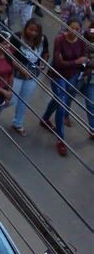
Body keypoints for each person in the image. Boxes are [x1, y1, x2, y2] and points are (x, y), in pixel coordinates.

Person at [41, 19, 87, 156]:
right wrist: (75, 62)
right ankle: (60, 139)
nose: (74, 31)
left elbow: (84, 58)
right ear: (67, 28)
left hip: (71, 76)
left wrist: (75, 64)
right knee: (62, 104)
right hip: (58, 75)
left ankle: (45, 118)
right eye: (72, 28)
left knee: (58, 99)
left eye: (77, 29)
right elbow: (57, 62)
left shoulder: (81, 42)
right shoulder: (59, 40)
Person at [10, 18, 49, 136]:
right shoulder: (16, 37)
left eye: (36, 31)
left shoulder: (43, 39)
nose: (33, 33)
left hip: (33, 74)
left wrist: (43, 63)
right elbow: (9, 56)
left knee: (24, 100)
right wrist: (21, 69)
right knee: (11, 100)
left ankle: (18, 123)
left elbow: (46, 53)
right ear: (26, 27)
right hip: (17, 73)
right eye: (30, 29)